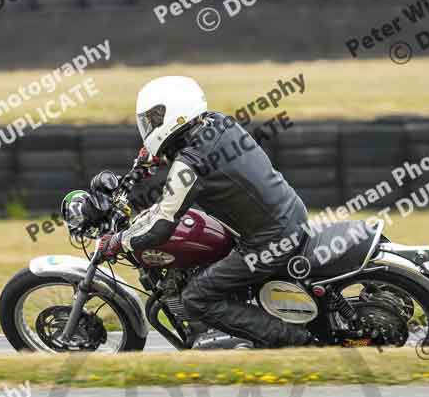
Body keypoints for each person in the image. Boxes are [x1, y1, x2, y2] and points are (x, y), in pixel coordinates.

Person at [97, 76, 313, 348]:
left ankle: (297, 341)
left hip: (271, 241)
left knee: (197, 297)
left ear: (172, 115)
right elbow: (192, 153)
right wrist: (152, 158)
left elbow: (162, 222)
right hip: (287, 216)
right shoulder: (218, 122)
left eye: (153, 118)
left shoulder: (191, 164)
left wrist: (120, 241)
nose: (149, 125)